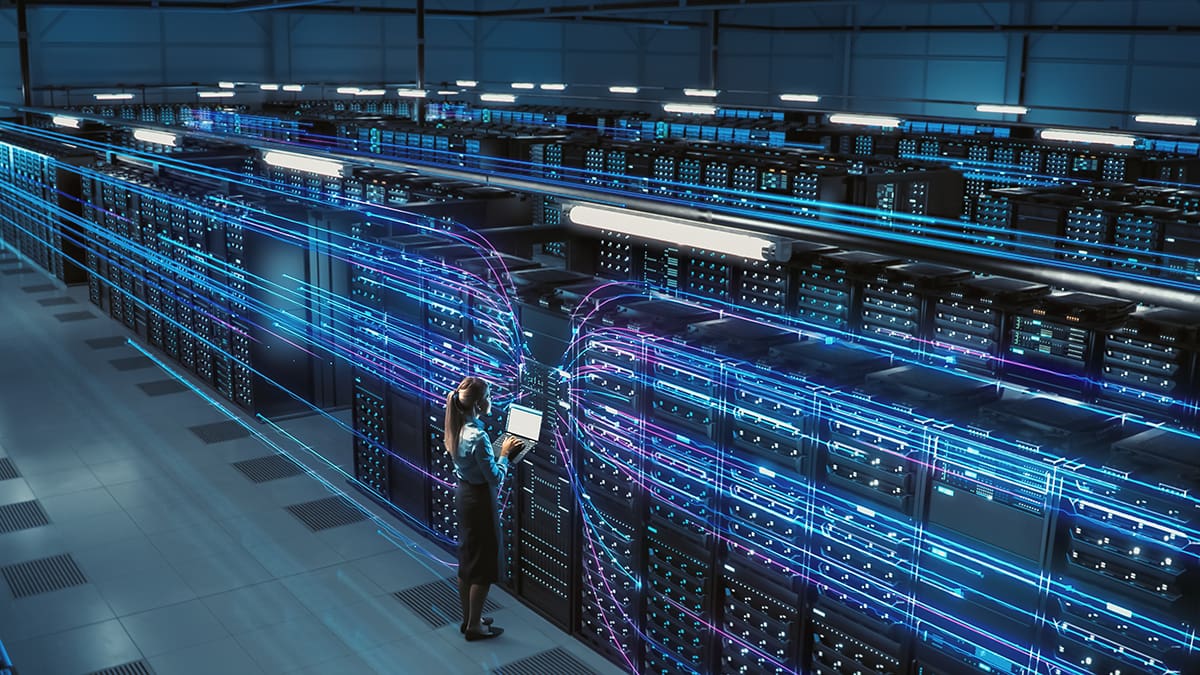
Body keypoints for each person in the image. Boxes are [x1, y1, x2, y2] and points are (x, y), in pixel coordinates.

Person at [444, 376, 522, 641]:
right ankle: (475, 627)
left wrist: (496, 449)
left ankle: (469, 619)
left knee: (468, 560)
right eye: (488, 396)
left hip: (464, 494)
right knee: (483, 567)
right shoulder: (478, 436)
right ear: (478, 403)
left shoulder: (456, 427)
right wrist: (505, 454)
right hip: (480, 501)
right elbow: (495, 477)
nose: (492, 400)